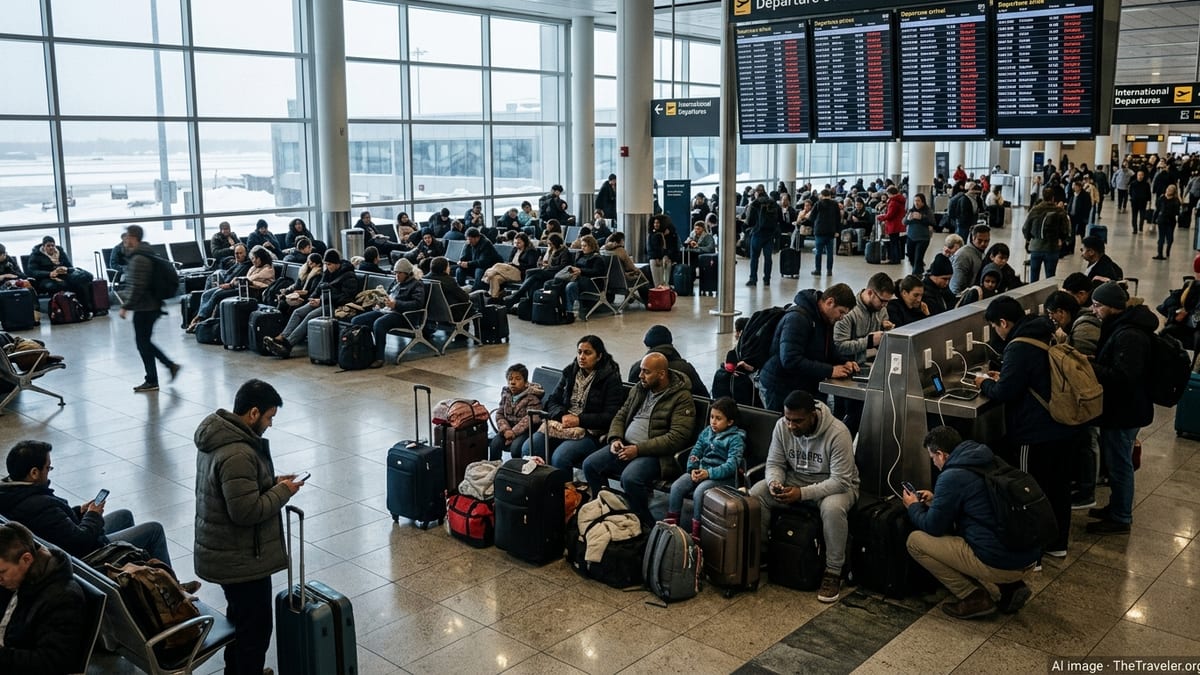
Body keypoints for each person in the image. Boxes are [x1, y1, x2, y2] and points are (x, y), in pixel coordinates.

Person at [195, 379, 302, 675]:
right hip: (239, 558)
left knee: (242, 620)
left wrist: (273, 482)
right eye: (269, 417)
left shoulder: (219, 437)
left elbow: (238, 490)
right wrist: (283, 493)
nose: (269, 424)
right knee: (254, 631)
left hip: (224, 549)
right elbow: (246, 511)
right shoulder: (238, 453)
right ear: (253, 413)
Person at [974, 297, 1084, 559]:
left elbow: (1006, 392)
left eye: (995, 326)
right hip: (1062, 424)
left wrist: (983, 383)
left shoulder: (1019, 346)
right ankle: (1057, 544)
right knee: (1058, 487)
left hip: (1035, 431)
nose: (997, 333)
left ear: (1003, 322)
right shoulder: (1044, 333)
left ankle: (1031, 550)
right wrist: (1008, 377)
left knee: (1029, 489)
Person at [903, 426, 1037, 619]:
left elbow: (933, 526)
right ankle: (1010, 586)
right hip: (1027, 554)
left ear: (941, 454)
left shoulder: (951, 476)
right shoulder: (986, 458)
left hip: (1001, 561)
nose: (933, 463)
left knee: (915, 542)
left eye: (932, 458)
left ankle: (973, 597)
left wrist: (913, 506)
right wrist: (936, 500)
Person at [750, 389, 858, 603]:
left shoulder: (838, 432)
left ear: (812, 415)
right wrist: (774, 482)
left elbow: (841, 481)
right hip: (797, 478)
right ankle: (762, 556)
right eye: (788, 419)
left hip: (836, 485)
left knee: (832, 509)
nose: (791, 426)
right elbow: (775, 464)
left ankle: (833, 571)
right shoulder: (782, 426)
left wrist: (802, 494)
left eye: (797, 421)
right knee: (758, 493)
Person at [0, 439, 174, 565]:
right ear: (34, 473)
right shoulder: (37, 504)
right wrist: (93, 515)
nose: (49, 471)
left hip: (68, 540)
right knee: (154, 530)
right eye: (48, 467)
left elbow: (54, 523)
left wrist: (78, 512)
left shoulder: (13, 494)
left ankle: (142, 574)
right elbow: (81, 542)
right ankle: (176, 594)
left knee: (124, 515)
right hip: (89, 555)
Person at [582, 352, 696, 529]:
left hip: (655, 455)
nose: (640, 375)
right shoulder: (640, 389)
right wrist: (615, 438)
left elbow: (677, 438)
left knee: (630, 479)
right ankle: (607, 508)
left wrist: (638, 449)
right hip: (625, 446)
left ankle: (643, 523)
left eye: (646, 372)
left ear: (662, 374)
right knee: (590, 465)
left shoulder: (682, 398)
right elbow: (621, 415)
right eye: (641, 370)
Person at [1088, 282, 1157, 535]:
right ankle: (1116, 507)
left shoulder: (1130, 335)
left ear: (1113, 307)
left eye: (1098, 306)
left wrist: (1092, 368)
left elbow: (1124, 377)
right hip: (1122, 409)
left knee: (1119, 464)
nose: (1094, 310)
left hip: (1125, 411)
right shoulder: (1122, 327)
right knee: (1116, 461)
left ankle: (1120, 517)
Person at [520, 335, 624, 471]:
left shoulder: (610, 379)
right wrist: (561, 415)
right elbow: (552, 400)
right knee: (529, 448)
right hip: (562, 425)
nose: (582, 357)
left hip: (591, 432)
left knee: (560, 458)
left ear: (599, 356)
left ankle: (564, 491)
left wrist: (579, 420)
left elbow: (611, 416)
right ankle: (540, 487)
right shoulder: (571, 372)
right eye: (579, 352)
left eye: (587, 353)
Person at [0, 520, 86, 675]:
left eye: (2, 572)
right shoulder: (15, 578)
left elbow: (53, 662)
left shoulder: (62, 599)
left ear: (26, 559)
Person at [757, 284, 859, 412]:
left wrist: (844, 362)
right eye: (841, 312)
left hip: (803, 386)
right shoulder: (797, 319)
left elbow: (828, 350)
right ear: (830, 302)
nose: (841, 317)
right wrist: (830, 370)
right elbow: (790, 360)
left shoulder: (824, 320)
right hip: (780, 388)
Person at [666, 397, 744, 540]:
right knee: (677, 486)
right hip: (702, 471)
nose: (713, 421)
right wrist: (693, 468)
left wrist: (708, 473)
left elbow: (731, 465)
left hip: (723, 478)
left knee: (700, 492)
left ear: (730, 422)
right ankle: (672, 526)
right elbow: (696, 451)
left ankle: (697, 532)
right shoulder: (707, 432)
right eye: (712, 417)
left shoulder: (735, 439)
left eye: (718, 418)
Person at [118, 225, 181, 392]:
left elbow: (137, 286)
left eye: (126, 238)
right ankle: (168, 367)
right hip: (148, 306)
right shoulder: (142, 254)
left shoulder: (139, 258)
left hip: (146, 307)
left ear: (133, 237)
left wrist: (126, 306)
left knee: (143, 343)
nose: (124, 241)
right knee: (144, 342)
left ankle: (154, 378)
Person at [264, 249, 357, 358]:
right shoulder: (328, 272)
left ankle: (288, 344)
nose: (327, 267)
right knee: (298, 312)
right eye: (326, 264)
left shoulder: (349, 276)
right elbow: (319, 288)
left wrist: (321, 301)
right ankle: (281, 337)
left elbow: (345, 297)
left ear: (337, 264)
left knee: (310, 316)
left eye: (329, 264)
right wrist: (311, 298)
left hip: (335, 306)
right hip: (322, 301)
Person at [833, 273, 895, 434]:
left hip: (869, 369)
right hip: (848, 372)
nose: (884, 306)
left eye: (888, 302)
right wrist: (869, 341)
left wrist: (885, 329)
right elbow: (839, 346)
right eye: (882, 300)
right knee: (849, 417)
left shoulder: (881, 310)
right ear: (869, 292)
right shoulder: (848, 313)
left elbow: (880, 334)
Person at [349, 258, 426, 368]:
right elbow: (389, 296)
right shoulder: (396, 282)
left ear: (407, 274)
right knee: (357, 321)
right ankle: (366, 351)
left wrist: (397, 304)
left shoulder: (417, 284)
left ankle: (379, 357)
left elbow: (417, 304)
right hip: (388, 311)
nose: (397, 276)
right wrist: (381, 303)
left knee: (379, 324)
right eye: (395, 273)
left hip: (404, 316)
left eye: (400, 273)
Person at [187, 246, 275, 331]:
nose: (254, 261)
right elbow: (245, 280)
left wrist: (233, 284)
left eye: (256, 258)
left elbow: (249, 280)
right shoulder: (253, 268)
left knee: (218, 295)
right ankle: (200, 317)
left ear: (262, 258)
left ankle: (202, 320)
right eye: (253, 258)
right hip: (241, 288)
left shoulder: (268, 269)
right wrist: (235, 282)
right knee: (207, 293)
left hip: (251, 292)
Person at [627, 324, 709, 398]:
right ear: (670, 343)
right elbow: (704, 397)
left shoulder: (637, 368)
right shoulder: (686, 368)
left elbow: (629, 397)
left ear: (649, 347)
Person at [26, 236, 95, 314]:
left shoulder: (60, 251)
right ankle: (62, 312)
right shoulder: (36, 255)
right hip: (46, 278)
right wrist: (49, 273)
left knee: (81, 283)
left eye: (53, 245)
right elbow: (32, 272)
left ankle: (84, 309)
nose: (51, 248)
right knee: (58, 285)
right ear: (43, 246)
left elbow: (69, 266)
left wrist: (66, 269)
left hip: (63, 275)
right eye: (48, 246)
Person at [489, 364, 544, 461]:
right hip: (508, 429)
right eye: (510, 379)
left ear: (526, 382)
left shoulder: (532, 398)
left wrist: (513, 432)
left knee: (516, 448)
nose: (513, 382)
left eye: (518, 379)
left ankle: (516, 471)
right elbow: (500, 413)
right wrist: (506, 430)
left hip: (526, 431)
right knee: (494, 444)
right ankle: (494, 469)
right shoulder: (506, 395)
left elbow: (531, 418)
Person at [504, 233, 571, 308]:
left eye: (551, 244)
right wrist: (541, 263)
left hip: (556, 273)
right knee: (531, 274)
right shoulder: (552, 250)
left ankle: (518, 295)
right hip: (548, 270)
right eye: (548, 244)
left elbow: (563, 266)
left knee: (533, 274)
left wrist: (549, 266)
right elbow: (546, 261)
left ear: (556, 243)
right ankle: (521, 296)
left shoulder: (564, 251)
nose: (549, 246)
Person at [1022, 186, 1071, 282]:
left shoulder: (1035, 210)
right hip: (1052, 248)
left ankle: (1033, 294)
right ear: (1053, 198)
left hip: (1036, 247)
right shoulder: (1059, 211)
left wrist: (1029, 239)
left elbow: (1025, 227)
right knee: (1050, 276)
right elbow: (1066, 230)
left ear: (1043, 196)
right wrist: (1061, 239)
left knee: (1034, 275)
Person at [481, 232, 539, 301]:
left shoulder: (530, 251)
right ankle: (494, 298)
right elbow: (510, 261)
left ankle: (487, 276)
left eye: (519, 243)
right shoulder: (515, 249)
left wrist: (517, 265)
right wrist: (511, 264)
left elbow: (531, 266)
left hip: (520, 273)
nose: (516, 245)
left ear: (525, 242)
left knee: (498, 265)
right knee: (495, 278)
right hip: (509, 271)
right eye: (515, 243)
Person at [563, 235, 608, 320]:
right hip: (581, 280)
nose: (582, 248)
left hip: (593, 283)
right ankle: (565, 311)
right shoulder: (581, 255)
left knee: (570, 286)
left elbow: (597, 272)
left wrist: (581, 271)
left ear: (591, 246)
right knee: (563, 284)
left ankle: (569, 312)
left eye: (585, 246)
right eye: (582, 246)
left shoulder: (597, 258)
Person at [744, 185, 782, 286]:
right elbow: (780, 219)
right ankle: (767, 279)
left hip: (757, 233)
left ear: (757, 192)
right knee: (768, 258)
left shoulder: (755, 203)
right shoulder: (773, 202)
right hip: (770, 234)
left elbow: (749, 221)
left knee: (754, 257)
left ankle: (753, 278)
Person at [809, 189, 843, 277]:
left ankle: (818, 270)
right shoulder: (835, 204)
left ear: (822, 195)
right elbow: (838, 219)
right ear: (830, 195)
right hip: (831, 231)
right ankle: (829, 270)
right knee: (830, 253)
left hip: (819, 231)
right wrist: (837, 231)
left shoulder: (818, 203)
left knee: (818, 252)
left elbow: (811, 217)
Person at [949, 225, 990, 296]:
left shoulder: (981, 253)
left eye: (986, 241)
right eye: (979, 240)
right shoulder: (963, 255)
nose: (983, 244)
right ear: (973, 238)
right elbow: (956, 285)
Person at [905, 193, 935, 275]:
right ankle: (920, 271)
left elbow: (933, 222)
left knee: (918, 259)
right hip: (911, 237)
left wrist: (922, 217)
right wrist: (908, 219)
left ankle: (915, 276)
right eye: (915, 201)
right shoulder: (911, 211)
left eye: (918, 201)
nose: (916, 203)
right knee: (911, 257)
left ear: (923, 202)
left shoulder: (928, 211)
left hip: (923, 239)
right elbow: (904, 222)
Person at [877, 186, 907, 265]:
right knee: (896, 242)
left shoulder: (893, 202)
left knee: (893, 243)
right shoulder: (900, 200)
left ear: (890, 194)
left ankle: (894, 259)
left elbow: (890, 215)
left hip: (893, 225)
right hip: (898, 224)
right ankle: (897, 258)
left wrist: (880, 217)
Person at [647, 216, 679, 288]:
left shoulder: (661, 235)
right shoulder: (654, 235)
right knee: (659, 282)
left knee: (661, 282)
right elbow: (651, 248)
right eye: (655, 223)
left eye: (658, 223)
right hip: (656, 259)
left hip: (661, 258)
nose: (656, 225)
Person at [1153, 183, 1182, 260]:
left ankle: (1168, 250)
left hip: (1171, 221)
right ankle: (1159, 254)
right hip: (1161, 220)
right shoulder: (1161, 198)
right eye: (1168, 189)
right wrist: (1153, 221)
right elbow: (1157, 209)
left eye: (1170, 190)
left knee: (1170, 238)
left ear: (1174, 192)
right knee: (1161, 238)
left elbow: (1177, 212)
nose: (1168, 191)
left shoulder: (1176, 200)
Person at [1129, 169, 1151, 234]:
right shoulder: (1133, 183)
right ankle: (1135, 228)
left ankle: (1141, 226)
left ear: (1143, 176)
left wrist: (1149, 201)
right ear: (1137, 176)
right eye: (1139, 175)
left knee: (1142, 216)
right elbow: (1130, 192)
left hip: (1143, 202)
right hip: (1134, 202)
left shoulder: (1146, 184)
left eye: (1141, 175)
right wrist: (1132, 197)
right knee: (1134, 216)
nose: (1140, 176)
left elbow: (1148, 193)